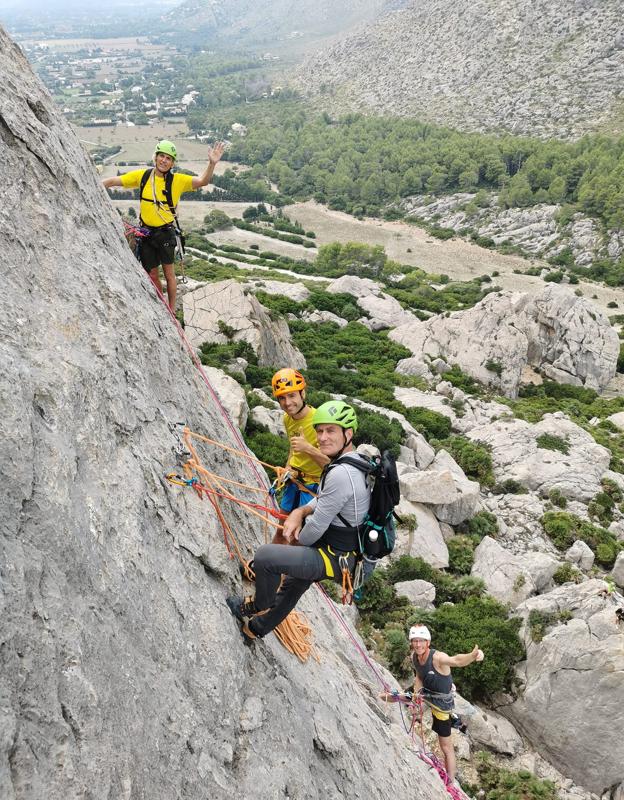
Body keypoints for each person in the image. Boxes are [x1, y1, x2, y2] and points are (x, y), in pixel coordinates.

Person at [227, 400, 370, 640]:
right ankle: (256, 629)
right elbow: (324, 500)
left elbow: (314, 530)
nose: (322, 438)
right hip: (346, 553)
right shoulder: (355, 462)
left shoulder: (341, 474)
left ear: (348, 434)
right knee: (294, 584)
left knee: (266, 557)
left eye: (330, 431)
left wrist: (294, 537)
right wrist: (299, 512)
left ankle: (258, 603)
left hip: (334, 557)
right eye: (320, 431)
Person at [103, 139, 225, 309]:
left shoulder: (178, 181)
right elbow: (114, 181)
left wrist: (212, 163)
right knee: (152, 274)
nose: (164, 160)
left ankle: (171, 311)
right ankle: (162, 306)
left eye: (168, 158)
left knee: (169, 275)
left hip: (165, 233)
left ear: (172, 163)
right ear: (155, 157)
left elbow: (203, 181)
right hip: (145, 233)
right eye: (161, 156)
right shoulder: (143, 176)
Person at [400, 625, 484, 785]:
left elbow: (456, 660)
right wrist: (417, 697)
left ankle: (450, 782)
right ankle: (414, 722)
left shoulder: (437, 658)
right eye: (415, 641)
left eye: (421, 641)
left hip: (441, 704)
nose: (418, 644)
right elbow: (419, 676)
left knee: (445, 746)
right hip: (427, 694)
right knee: (403, 702)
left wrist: (472, 656)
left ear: (428, 642)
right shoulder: (415, 657)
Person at [271, 368, 329, 514]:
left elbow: (332, 465)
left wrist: (307, 448)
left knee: (301, 535)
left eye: (291, 396)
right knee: (281, 532)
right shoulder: (287, 418)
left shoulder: (319, 422)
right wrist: (287, 468)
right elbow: (293, 448)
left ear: (303, 394)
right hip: (294, 481)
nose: (287, 403)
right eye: (282, 398)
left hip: (314, 487)